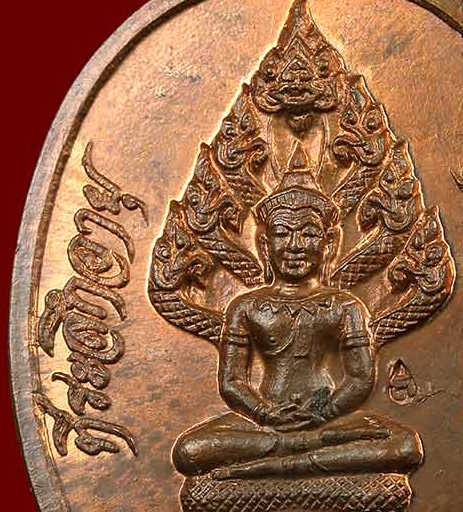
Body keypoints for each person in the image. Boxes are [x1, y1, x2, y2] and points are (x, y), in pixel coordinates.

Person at [172, 143, 422, 480]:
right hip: (266, 421)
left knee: (405, 446)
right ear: (264, 245)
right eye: (282, 233)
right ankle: (303, 450)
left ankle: (288, 456)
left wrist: (322, 411)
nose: (294, 245)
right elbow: (232, 382)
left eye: (308, 234)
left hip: (328, 416)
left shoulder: (344, 306)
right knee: (189, 451)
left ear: (329, 244)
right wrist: (266, 414)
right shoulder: (246, 307)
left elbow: (360, 378)